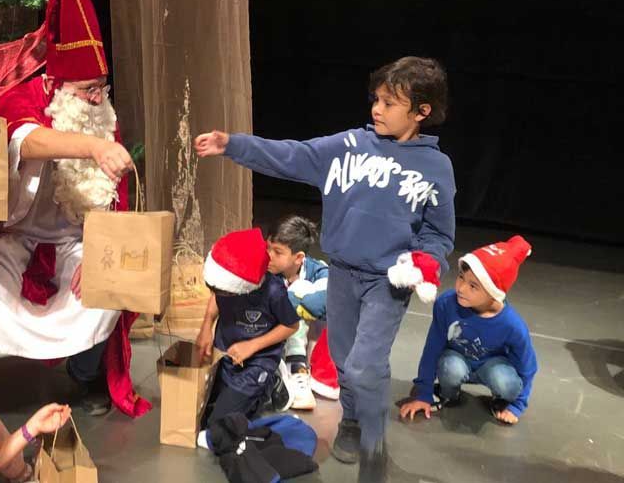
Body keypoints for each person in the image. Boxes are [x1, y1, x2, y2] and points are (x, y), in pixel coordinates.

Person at [195, 56, 456, 468]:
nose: (377, 109)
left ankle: (373, 445)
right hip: (342, 274)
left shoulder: (436, 167)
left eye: (390, 103)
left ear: (422, 111)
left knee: (366, 367)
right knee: (342, 358)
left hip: (388, 283)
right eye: (377, 99)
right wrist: (234, 145)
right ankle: (351, 419)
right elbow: (290, 155)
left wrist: (425, 261)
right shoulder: (349, 146)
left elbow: (439, 233)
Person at [0, 0, 146, 418]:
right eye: (88, 90)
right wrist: (93, 147)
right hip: (13, 236)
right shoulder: (26, 99)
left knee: (105, 292)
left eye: (101, 89)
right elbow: (27, 141)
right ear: (58, 84)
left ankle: (86, 378)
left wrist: (100, 254)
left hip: (75, 239)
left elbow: (112, 205)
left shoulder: (100, 115)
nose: (96, 99)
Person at [400, 236, 537, 426]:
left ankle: (501, 401)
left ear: (494, 293)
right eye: (461, 277)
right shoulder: (447, 304)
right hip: (457, 361)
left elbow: (527, 366)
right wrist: (424, 394)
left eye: (473, 286)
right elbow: (432, 349)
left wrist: (518, 405)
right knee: (450, 366)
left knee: (506, 382)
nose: (461, 288)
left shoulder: (512, 325)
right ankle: (448, 395)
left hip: (492, 367)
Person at [194, 228, 299, 446]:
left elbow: (291, 325)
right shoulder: (225, 283)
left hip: (257, 361)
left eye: (225, 292)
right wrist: (206, 327)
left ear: (242, 286)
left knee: (217, 429)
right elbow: (216, 296)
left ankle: (272, 382)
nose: (220, 294)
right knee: (200, 415)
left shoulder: (273, 291)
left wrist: (252, 345)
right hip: (227, 356)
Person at [264, 215, 329, 411]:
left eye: (277, 252)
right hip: (268, 333)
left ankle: (298, 369)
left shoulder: (318, 270)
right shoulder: (264, 267)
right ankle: (276, 367)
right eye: (268, 248)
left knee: (303, 290)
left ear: (299, 257)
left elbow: (324, 304)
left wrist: (292, 296)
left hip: (305, 339)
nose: (269, 255)